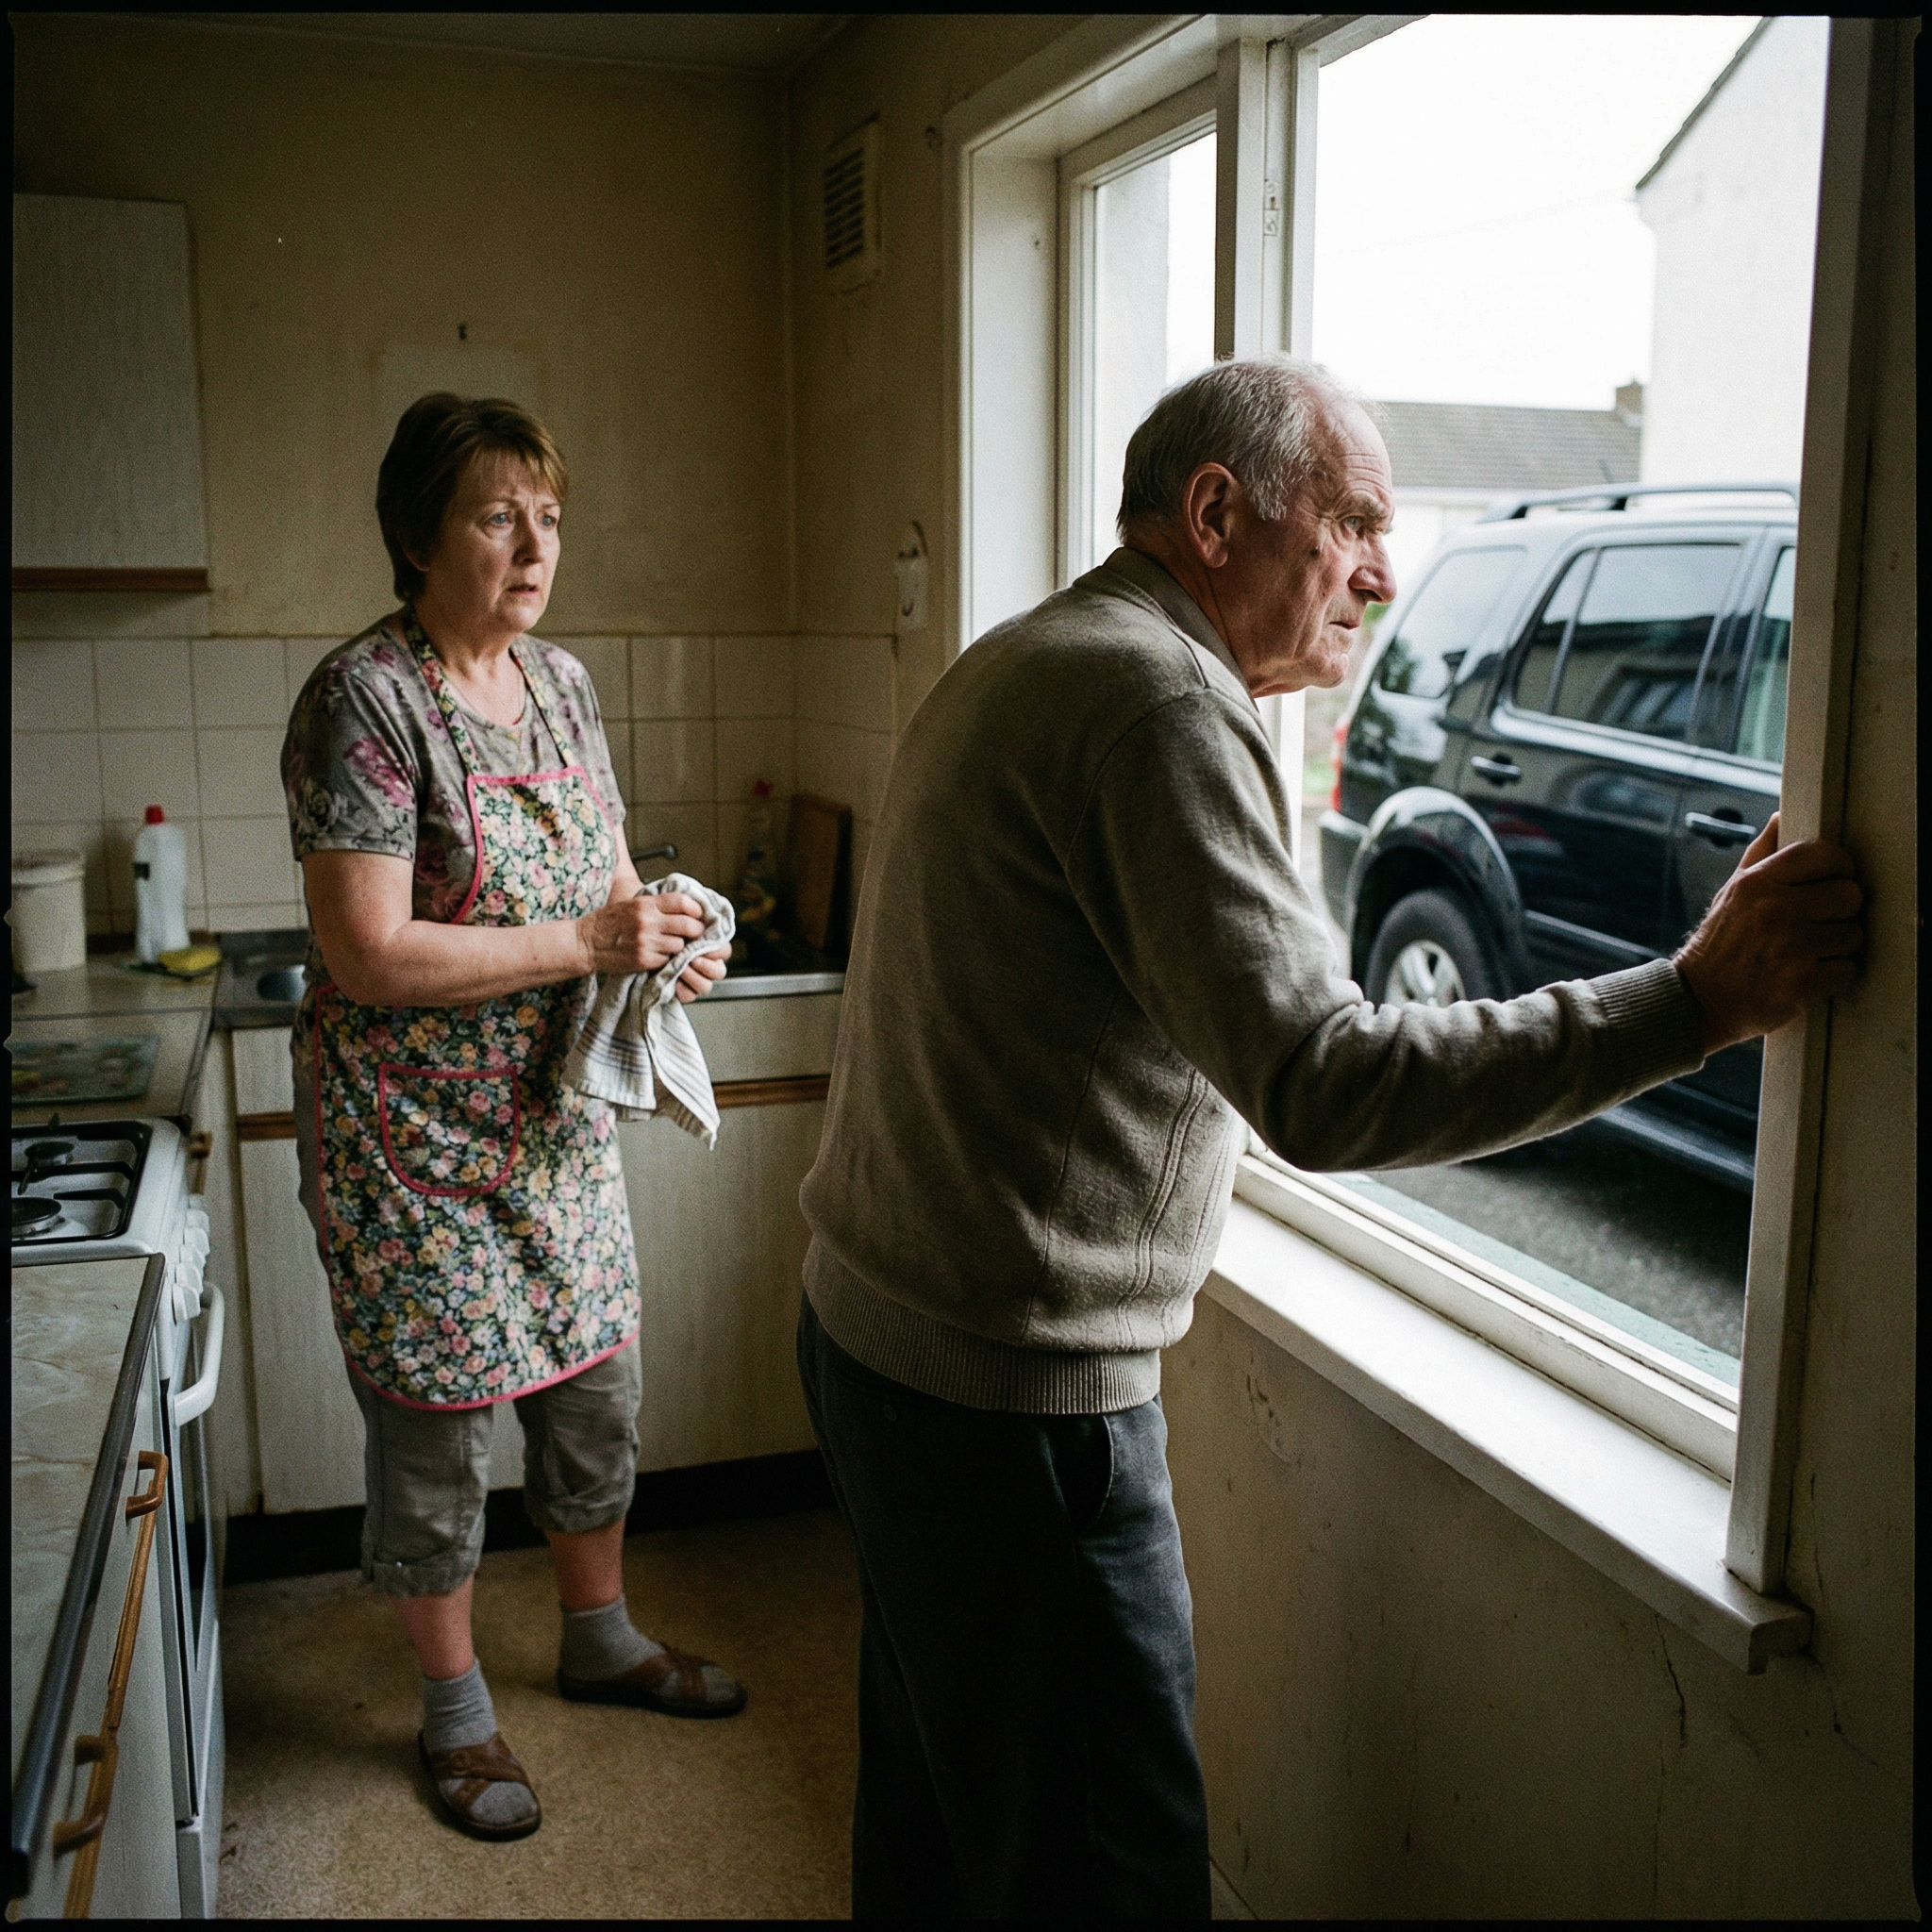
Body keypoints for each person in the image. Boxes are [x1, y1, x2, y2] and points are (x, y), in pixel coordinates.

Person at [793, 356, 1863, 1917]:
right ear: (1218, 515)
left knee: (944, 1833)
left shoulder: (1040, 650)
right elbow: (1326, 1083)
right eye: (1354, 522)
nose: (1382, 567)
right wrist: (1695, 1001)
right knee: (1111, 1872)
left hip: (882, 1345)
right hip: (1008, 1408)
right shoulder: (1158, 698)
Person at [281, 394, 744, 1844]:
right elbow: (369, 952)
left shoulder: (562, 685)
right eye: (497, 513)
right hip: (407, 1144)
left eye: (548, 514)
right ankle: (454, 1713)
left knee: (595, 1386)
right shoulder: (363, 698)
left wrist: (664, 932)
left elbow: (603, 888)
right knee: (434, 1430)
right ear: (419, 533)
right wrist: (595, 946)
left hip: (552, 1125)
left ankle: (599, 1636)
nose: (535, 542)